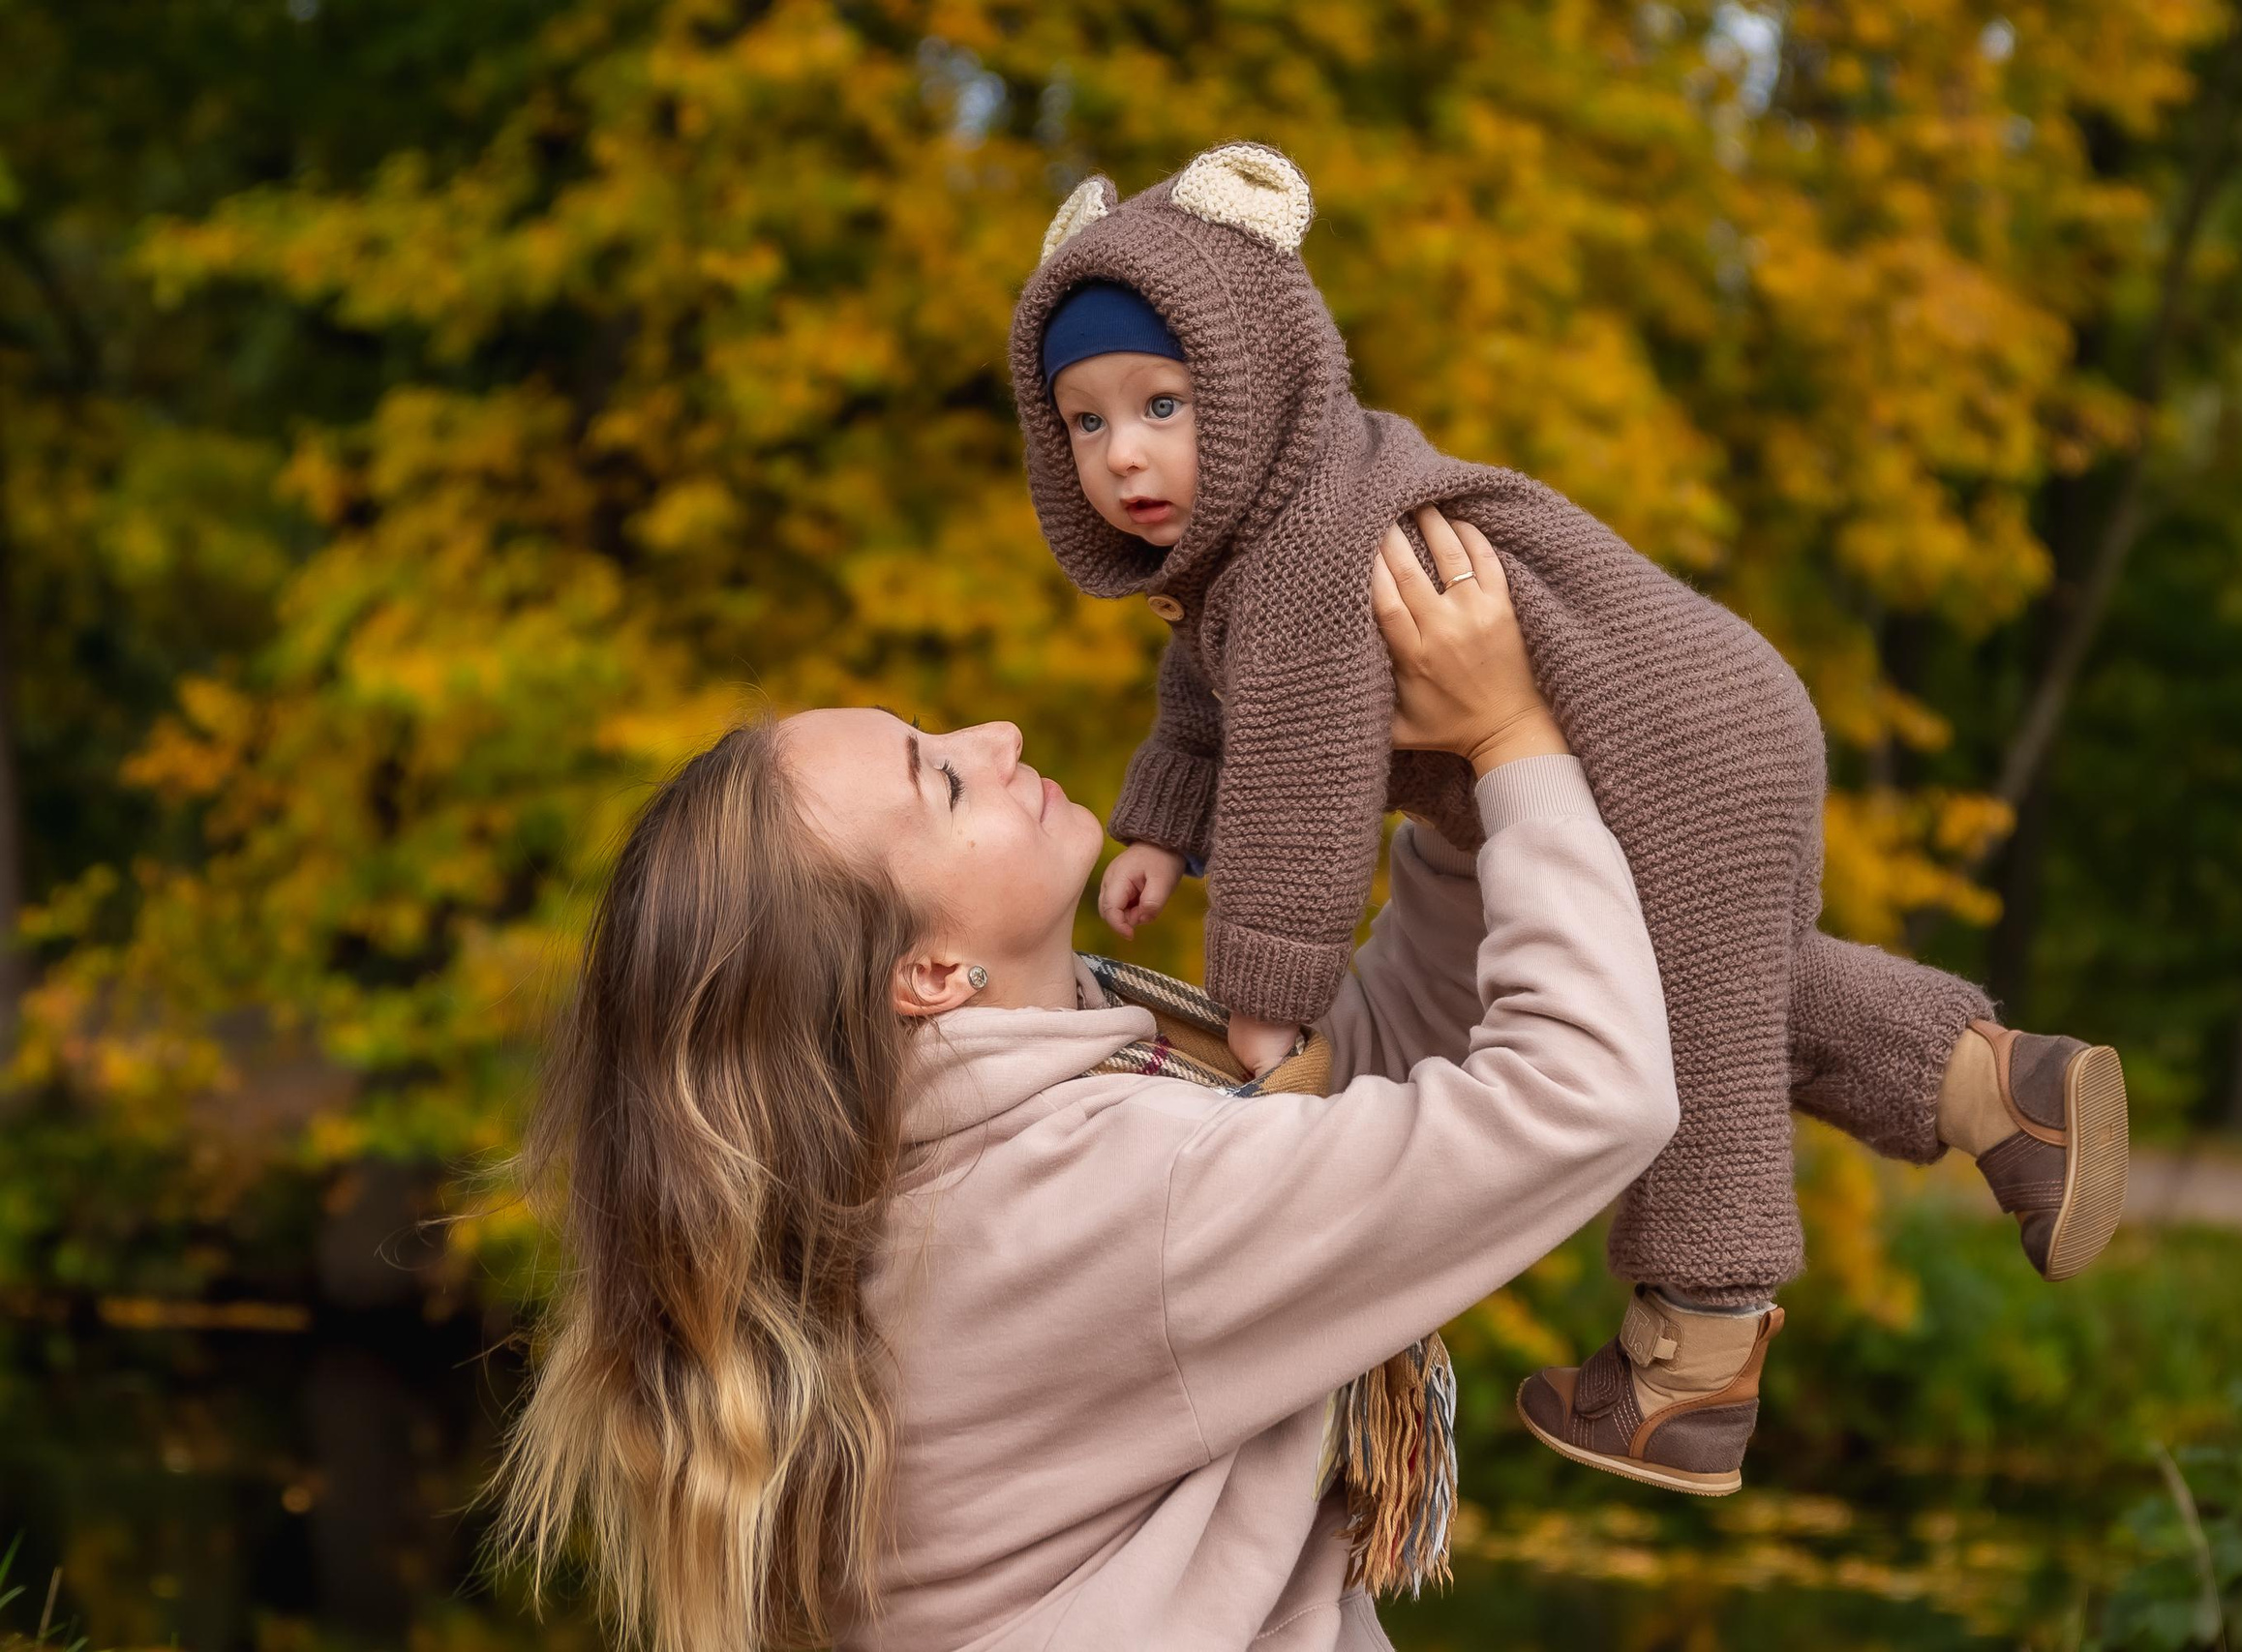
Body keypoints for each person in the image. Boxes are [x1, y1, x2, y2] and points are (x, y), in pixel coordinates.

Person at [1009, 141, 2131, 1493]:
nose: (1125, 454)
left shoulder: (1308, 550)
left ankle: (1691, 1366)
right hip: (1701, 712)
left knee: (1699, 1040)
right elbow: (1209, 702)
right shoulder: (1254, 545)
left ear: (1255, 388)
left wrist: (1269, 1015)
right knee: (1723, 987)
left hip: (1666, 741)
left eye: (1165, 405)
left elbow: (1302, 801)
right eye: (1086, 421)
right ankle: (2002, 1090)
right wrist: (1160, 828)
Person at [495, 517, 1680, 1651]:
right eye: (944, 783)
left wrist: (1456, 810)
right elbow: (1586, 1096)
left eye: (936, 732)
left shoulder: (971, 1152)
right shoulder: (1101, 1193)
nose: (996, 736)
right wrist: (1514, 740)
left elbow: (1350, 1099)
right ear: (929, 973)